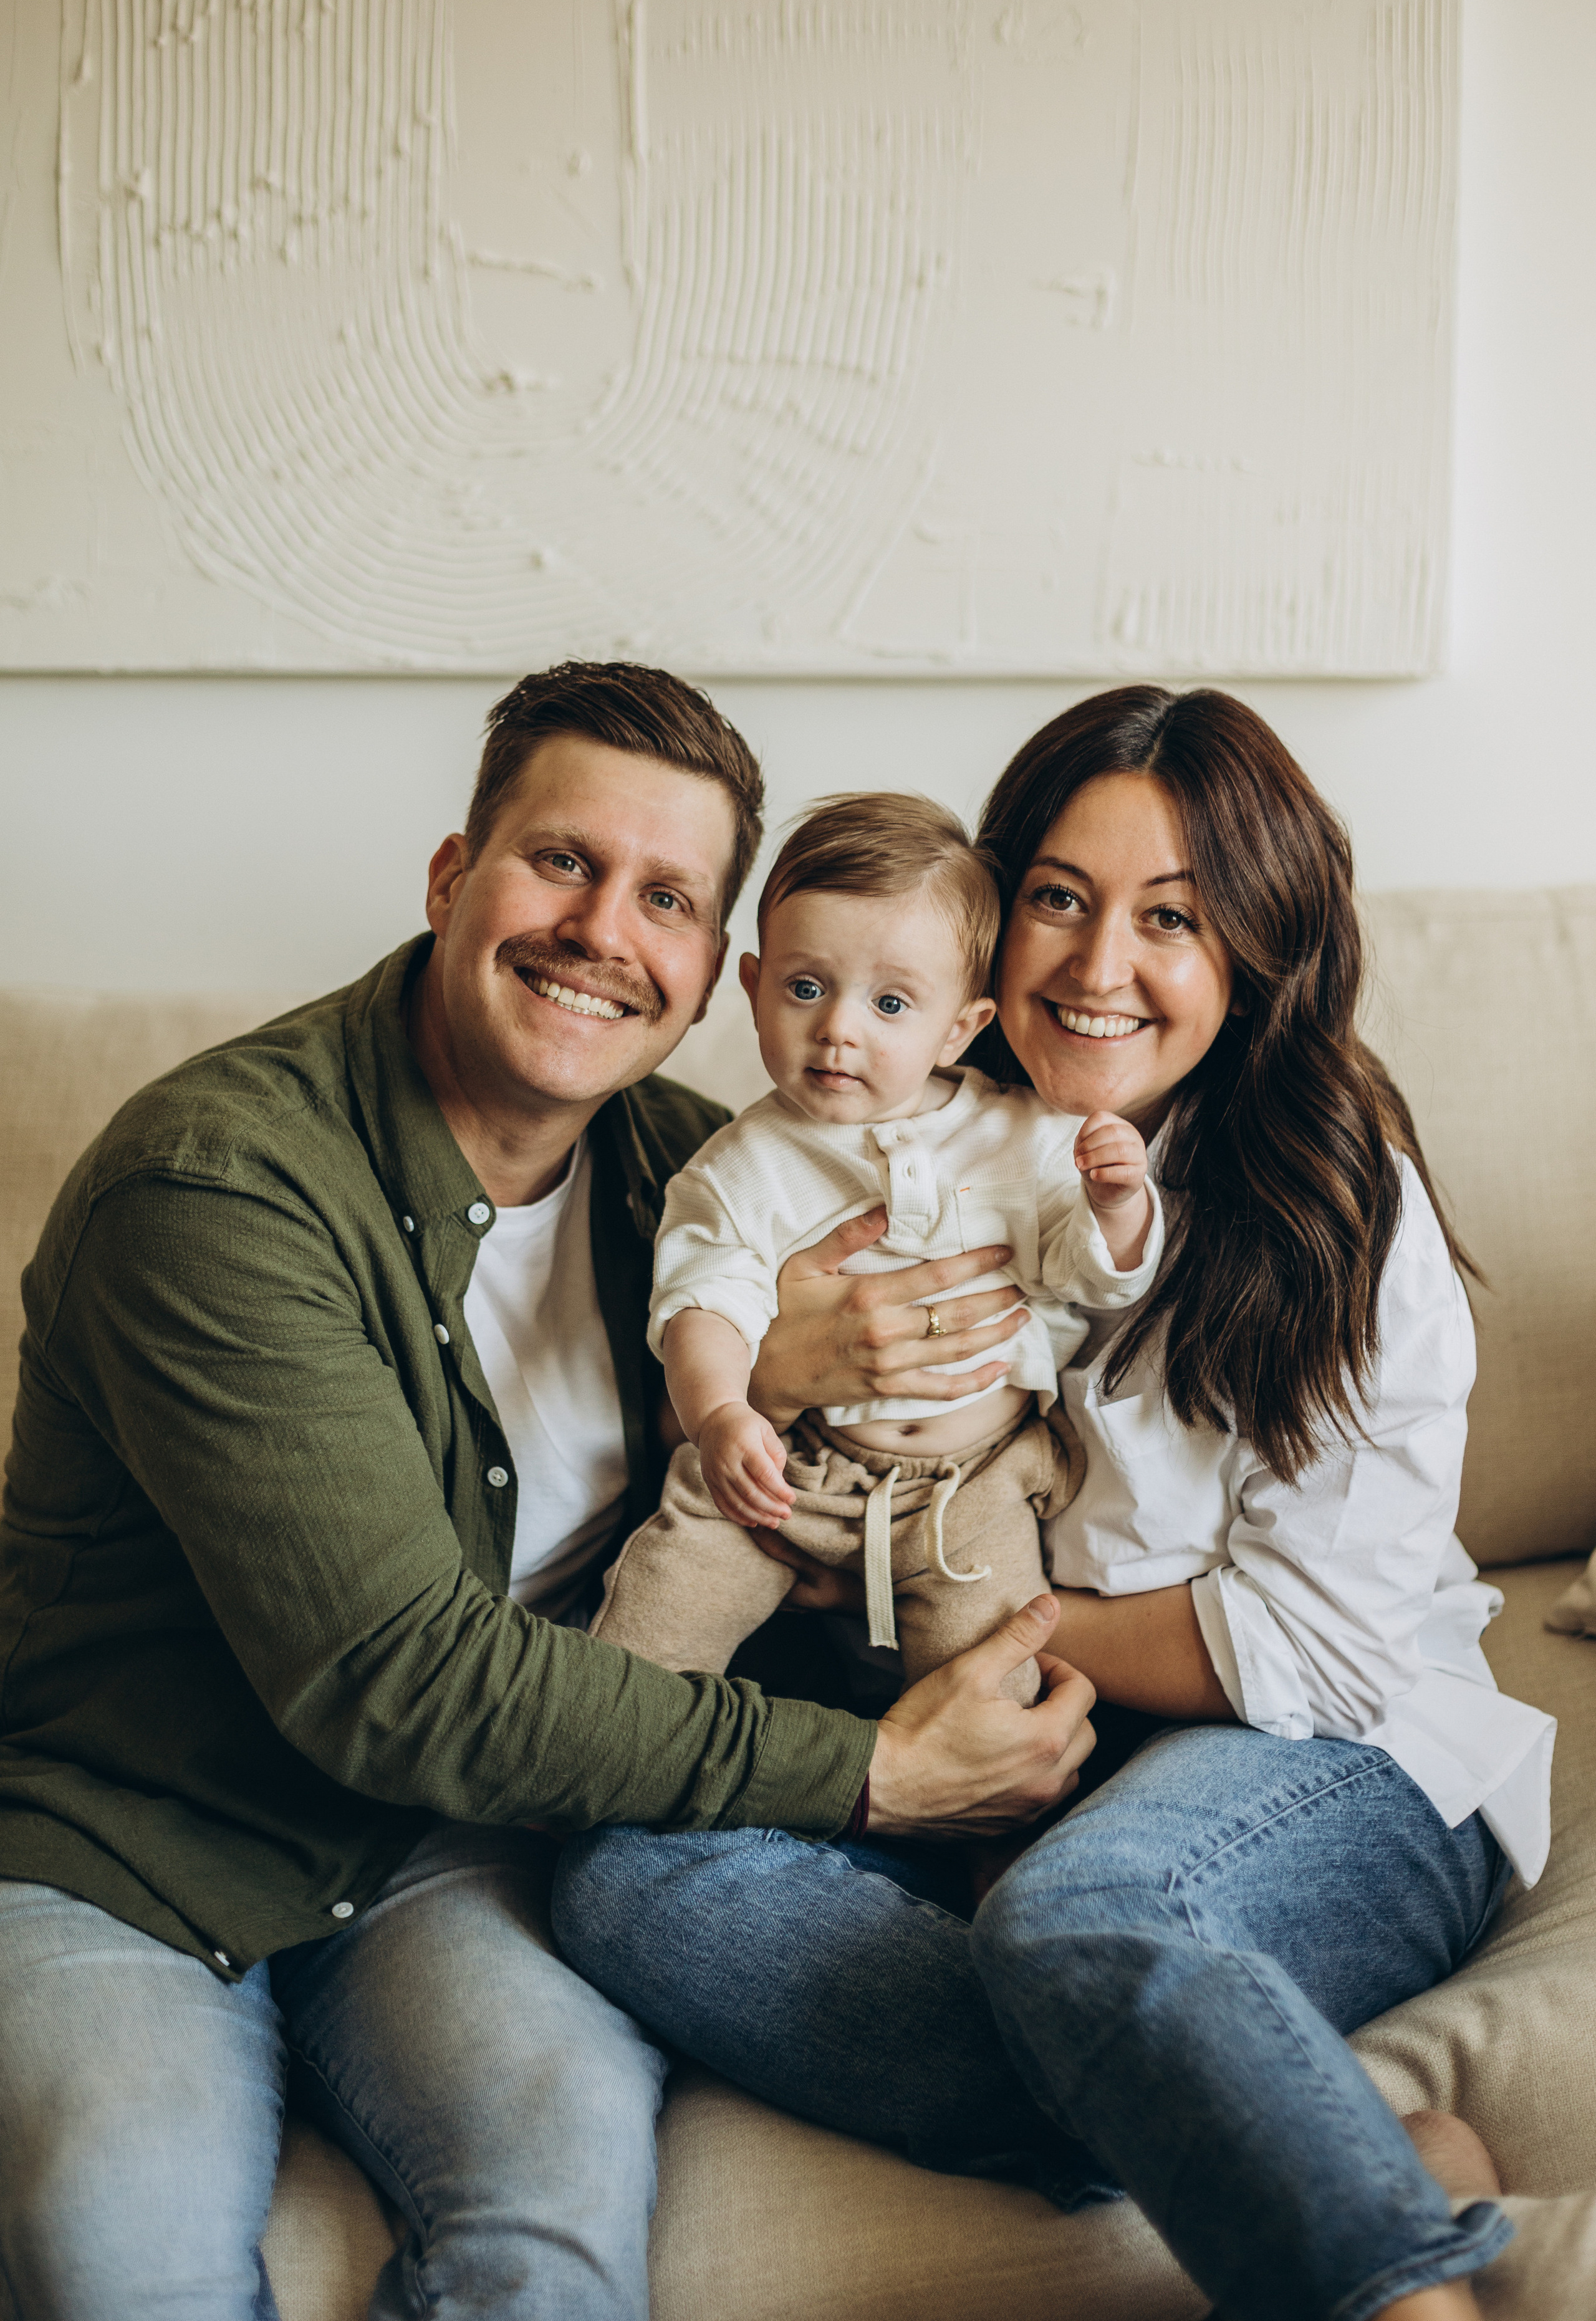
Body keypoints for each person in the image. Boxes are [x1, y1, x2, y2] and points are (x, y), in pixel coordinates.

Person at [0, 662, 1098, 2321]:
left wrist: (812, 1461)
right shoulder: (217, 1190)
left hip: (458, 1848)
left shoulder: (681, 1162)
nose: (605, 931)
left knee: (563, 2225)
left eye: (665, 896)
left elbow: (753, 1518)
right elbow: (402, 1683)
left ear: (712, 968)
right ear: (453, 876)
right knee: (124, 2262)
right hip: (138, 1841)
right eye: (561, 862)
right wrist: (876, 1772)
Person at [552, 685, 1558, 2321]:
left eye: (1173, 919)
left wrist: (961, 1653)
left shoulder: (1330, 1190)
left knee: (1084, 1911)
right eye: (1060, 902)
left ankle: (1389, 2285)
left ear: (1256, 949)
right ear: (981, 929)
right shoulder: (894, 1145)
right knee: (623, 1879)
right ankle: (1312, 2122)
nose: (1100, 967)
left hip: (1339, 1763)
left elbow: (1318, 1638)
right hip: (1024, 1758)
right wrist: (789, 1413)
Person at [592, 790, 1161, 1704]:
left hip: (973, 1487)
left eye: (891, 1002)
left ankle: (989, 1833)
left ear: (962, 1026)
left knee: (992, 1678)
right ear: (753, 985)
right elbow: (706, 1300)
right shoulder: (744, 1164)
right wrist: (721, 1417)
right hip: (796, 1468)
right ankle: (591, 1747)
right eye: (806, 987)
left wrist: (1117, 1201)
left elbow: (1086, 1274)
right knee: (673, 1588)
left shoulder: (1025, 1134)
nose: (839, 1027)